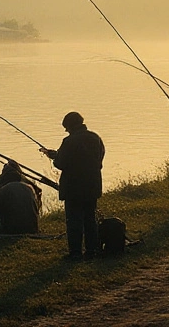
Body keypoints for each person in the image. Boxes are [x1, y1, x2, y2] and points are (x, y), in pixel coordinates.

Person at [42, 111, 105, 259]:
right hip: (92, 185)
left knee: (74, 220)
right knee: (90, 218)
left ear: (70, 126)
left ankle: (75, 253)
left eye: (66, 128)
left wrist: (55, 157)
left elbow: (61, 163)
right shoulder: (95, 138)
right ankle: (92, 250)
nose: (66, 131)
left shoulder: (69, 141)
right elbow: (99, 157)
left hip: (74, 187)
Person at [0, 161, 42, 235]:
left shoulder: (6, 189)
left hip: (14, 230)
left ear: (4, 177)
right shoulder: (29, 188)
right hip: (32, 229)